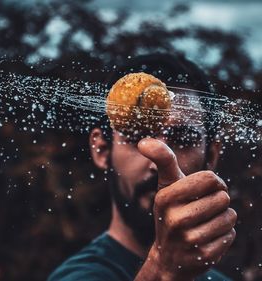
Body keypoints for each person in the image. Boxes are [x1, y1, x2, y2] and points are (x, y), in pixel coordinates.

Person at [48, 54, 237, 281]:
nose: (159, 158)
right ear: (102, 150)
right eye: (137, 135)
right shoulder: (79, 276)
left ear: (212, 156)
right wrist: (164, 271)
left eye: (184, 139)